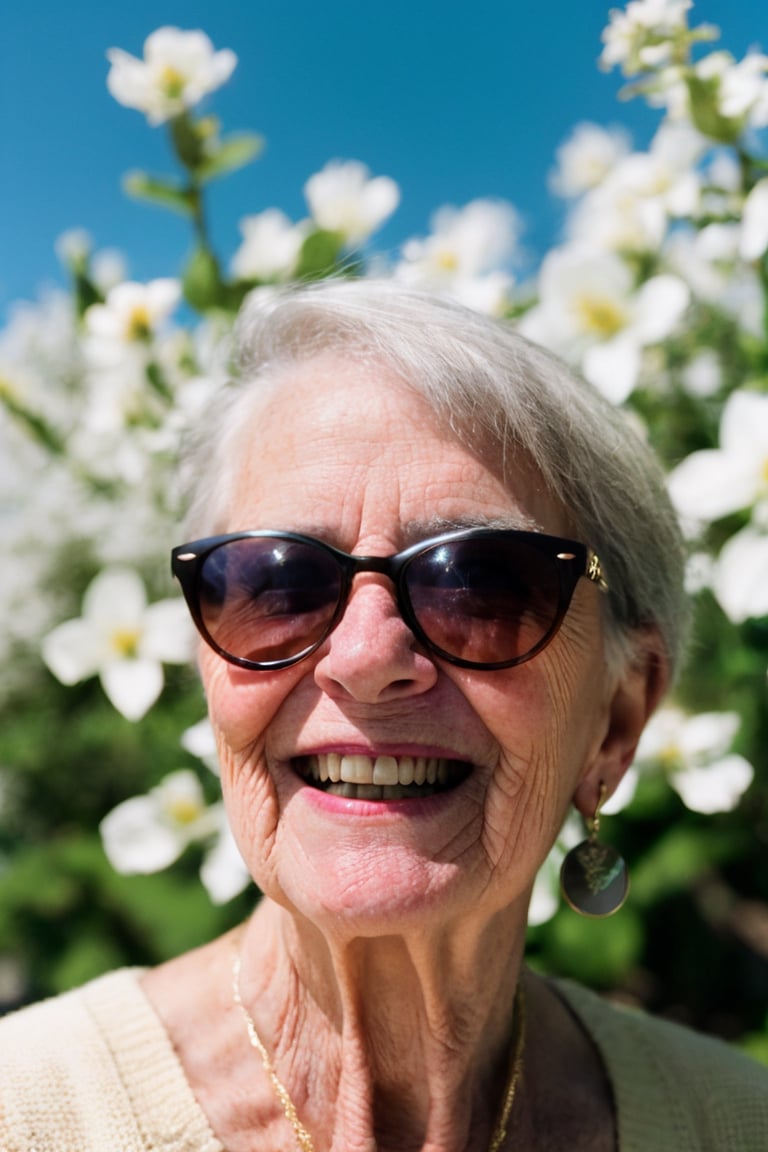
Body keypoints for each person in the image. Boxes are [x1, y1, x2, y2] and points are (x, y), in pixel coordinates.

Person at [1, 280, 766, 1151]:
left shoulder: (734, 1124)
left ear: (619, 721)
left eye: (480, 584)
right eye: (276, 583)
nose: (364, 659)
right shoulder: (24, 1112)